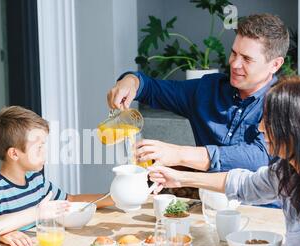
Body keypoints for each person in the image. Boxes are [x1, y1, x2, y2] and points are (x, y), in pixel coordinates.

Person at [149, 76, 300, 246]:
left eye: (270, 121)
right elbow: (246, 184)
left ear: (295, 130)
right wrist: (180, 178)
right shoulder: (290, 171)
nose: (260, 128)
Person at [107, 14, 289, 173]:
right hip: (209, 207)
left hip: (263, 211)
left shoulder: (286, 103)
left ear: (275, 64)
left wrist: (180, 155)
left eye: (247, 59)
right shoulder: (207, 90)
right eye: (234, 53)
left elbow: (258, 157)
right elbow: (152, 89)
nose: (234, 64)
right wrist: (131, 81)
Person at [0, 106, 113, 246]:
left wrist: (113, 198)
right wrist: (1, 234)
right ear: (14, 154)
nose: (45, 152)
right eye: (38, 147)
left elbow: (70, 201)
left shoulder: (37, 181)